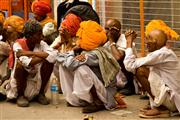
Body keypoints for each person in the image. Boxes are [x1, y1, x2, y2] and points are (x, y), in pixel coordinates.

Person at [124, 29, 180, 118]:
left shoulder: (162, 54)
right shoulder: (162, 53)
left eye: (148, 38)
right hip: (171, 98)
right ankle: (159, 105)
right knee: (141, 68)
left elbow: (129, 65)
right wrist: (131, 43)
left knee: (140, 71)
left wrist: (129, 42)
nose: (145, 42)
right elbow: (135, 61)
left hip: (173, 101)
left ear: (155, 41)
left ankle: (161, 108)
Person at [6, 20, 54, 107]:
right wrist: (43, 57)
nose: (41, 37)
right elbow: (28, 63)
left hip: (36, 79)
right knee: (20, 66)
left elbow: (53, 56)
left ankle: (41, 94)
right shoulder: (18, 44)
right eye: (38, 34)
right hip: (23, 81)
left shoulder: (41, 44)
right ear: (30, 36)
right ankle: (20, 96)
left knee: (49, 63)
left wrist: (31, 53)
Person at [104, 19, 135, 95]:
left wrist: (111, 40)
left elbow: (118, 57)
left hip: (128, 74)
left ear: (119, 30)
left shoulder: (125, 39)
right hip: (116, 76)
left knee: (122, 59)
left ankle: (130, 86)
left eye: (112, 29)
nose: (108, 32)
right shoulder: (106, 41)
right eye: (106, 29)